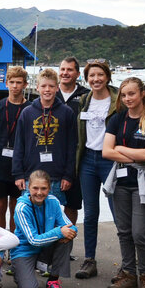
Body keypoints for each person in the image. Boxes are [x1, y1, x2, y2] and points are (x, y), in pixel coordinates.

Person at [101, 77, 145, 288]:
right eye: (124, 95)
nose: (127, 98)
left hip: (143, 183)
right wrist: (130, 155)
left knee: (140, 233)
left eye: (132, 94)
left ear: (143, 94)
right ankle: (128, 274)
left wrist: (120, 147)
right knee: (124, 231)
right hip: (121, 183)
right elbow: (106, 152)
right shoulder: (118, 119)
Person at [74, 60, 118, 280]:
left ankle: (129, 264)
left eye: (100, 75)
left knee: (119, 213)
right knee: (90, 214)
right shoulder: (84, 100)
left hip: (111, 160)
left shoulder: (119, 100)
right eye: (92, 76)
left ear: (107, 77)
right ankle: (89, 260)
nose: (96, 79)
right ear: (86, 78)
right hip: (88, 161)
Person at [11, 170, 78, 288]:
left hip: (46, 248)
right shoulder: (21, 208)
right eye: (35, 188)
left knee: (67, 238)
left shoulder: (53, 201)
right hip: (25, 250)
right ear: (28, 187)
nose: (39, 192)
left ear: (50, 188)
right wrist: (59, 232)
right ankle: (18, 269)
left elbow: (71, 226)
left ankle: (53, 281)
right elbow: (33, 240)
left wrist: (69, 232)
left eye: (44, 188)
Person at [12, 68, 76, 203]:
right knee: (32, 215)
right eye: (43, 86)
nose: (47, 89)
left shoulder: (67, 112)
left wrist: (68, 175)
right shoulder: (27, 113)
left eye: (51, 86)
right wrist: (18, 174)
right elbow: (19, 145)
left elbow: (72, 146)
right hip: (31, 175)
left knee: (54, 217)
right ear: (37, 88)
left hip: (57, 176)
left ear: (57, 88)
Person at [0, 66, 31, 231]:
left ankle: (14, 246)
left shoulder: (30, 108)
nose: (15, 86)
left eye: (18, 83)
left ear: (25, 85)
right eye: (11, 82)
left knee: (16, 207)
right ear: (6, 84)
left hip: (20, 166)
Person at [58, 57, 89, 224]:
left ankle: (66, 245)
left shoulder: (86, 96)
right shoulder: (51, 93)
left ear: (77, 73)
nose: (65, 73)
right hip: (52, 156)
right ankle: (48, 246)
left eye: (69, 70)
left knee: (72, 204)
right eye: (62, 69)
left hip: (77, 158)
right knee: (48, 204)